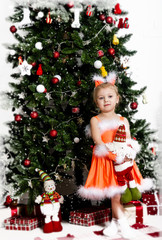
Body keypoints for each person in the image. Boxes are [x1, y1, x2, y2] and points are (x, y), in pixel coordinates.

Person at [78, 72, 153, 238]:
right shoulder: (95, 120)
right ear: (96, 102)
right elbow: (98, 141)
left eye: (110, 96)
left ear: (117, 99)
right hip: (106, 160)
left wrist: (127, 155)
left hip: (122, 161)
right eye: (101, 98)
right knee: (115, 195)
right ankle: (124, 227)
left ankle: (113, 223)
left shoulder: (123, 119)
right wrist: (113, 156)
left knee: (118, 195)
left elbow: (126, 141)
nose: (106, 100)